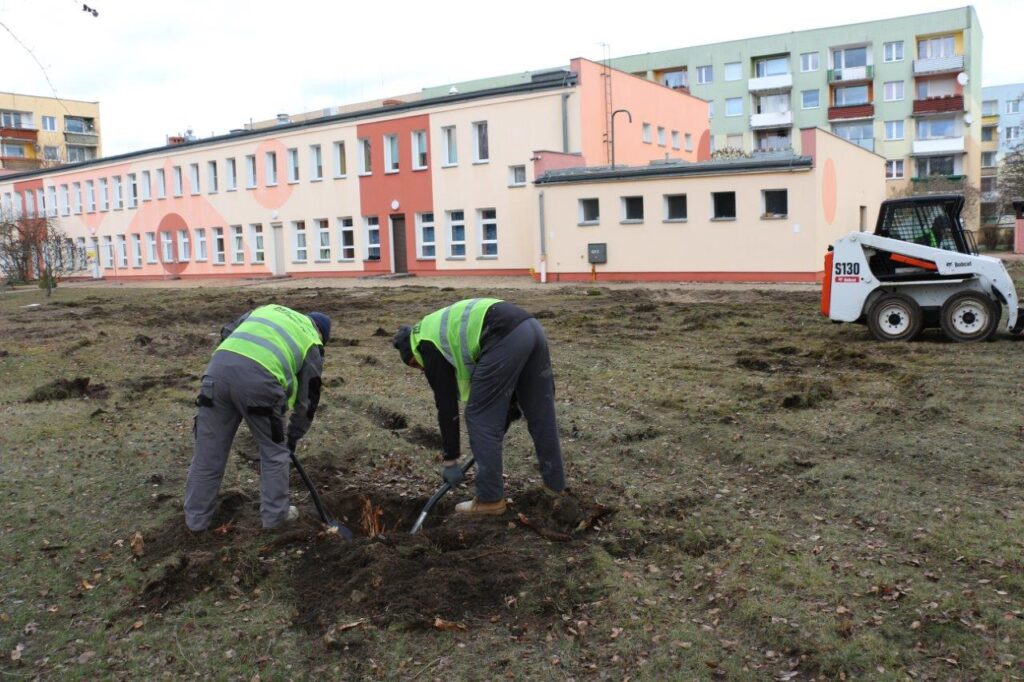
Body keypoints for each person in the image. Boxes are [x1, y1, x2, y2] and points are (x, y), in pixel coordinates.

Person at [392, 298, 566, 515]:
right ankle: (555, 488)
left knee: (479, 416)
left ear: (412, 354)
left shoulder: (424, 344)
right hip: (530, 327)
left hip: (503, 334)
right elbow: (503, 377)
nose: (420, 369)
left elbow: (446, 407)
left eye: (415, 365)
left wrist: (450, 459)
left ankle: (490, 500)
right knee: (541, 414)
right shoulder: (434, 328)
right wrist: (510, 407)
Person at [184, 304, 331, 531]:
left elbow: (227, 332)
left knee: (208, 452)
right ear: (322, 333)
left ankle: (196, 520)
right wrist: (291, 438)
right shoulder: (312, 340)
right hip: (260, 383)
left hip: (216, 373)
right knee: (275, 452)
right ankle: (276, 518)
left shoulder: (268, 310)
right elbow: (308, 400)